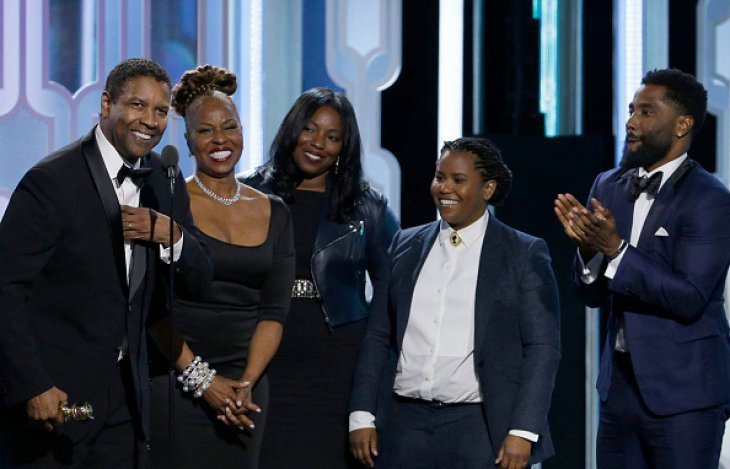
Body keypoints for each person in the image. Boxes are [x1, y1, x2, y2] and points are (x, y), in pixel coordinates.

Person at [0, 58, 213, 467]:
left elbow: (200, 281)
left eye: (160, 110)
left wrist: (172, 236)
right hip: (55, 397)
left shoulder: (164, 181)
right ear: (106, 104)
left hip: (127, 402)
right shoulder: (53, 181)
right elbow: (6, 290)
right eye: (137, 105)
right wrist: (33, 385)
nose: (149, 121)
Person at [349, 137, 561, 468]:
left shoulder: (522, 252)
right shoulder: (404, 246)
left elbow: (542, 348)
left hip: (478, 428)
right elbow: (378, 336)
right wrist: (361, 414)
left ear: (488, 189)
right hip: (403, 425)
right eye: (439, 177)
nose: (444, 188)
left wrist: (524, 430)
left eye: (458, 180)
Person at [554, 69, 730, 468]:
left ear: (683, 125)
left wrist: (614, 250)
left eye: (647, 112)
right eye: (632, 110)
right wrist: (587, 253)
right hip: (618, 391)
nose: (631, 122)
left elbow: (689, 298)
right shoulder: (608, 186)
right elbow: (592, 295)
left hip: (685, 397)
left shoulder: (710, 199)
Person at [240, 87, 399, 468]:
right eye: (309, 130)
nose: (318, 144)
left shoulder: (367, 206)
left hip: (336, 364)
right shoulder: (248, 192)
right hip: (263, 359)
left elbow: (394, 286)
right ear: (292, 129)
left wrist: (374, 358)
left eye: (332, 137)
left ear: (345, 147)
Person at [147, 64, 295, 468]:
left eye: (229, 126)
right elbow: (153, 305)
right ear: (189, 141)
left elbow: (274, 311)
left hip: (246, 393)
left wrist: (245, 383)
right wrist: (203, 381)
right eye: (205, 131)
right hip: (177, 381)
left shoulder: (275, 211)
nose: (219, 140)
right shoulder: (167, 199)